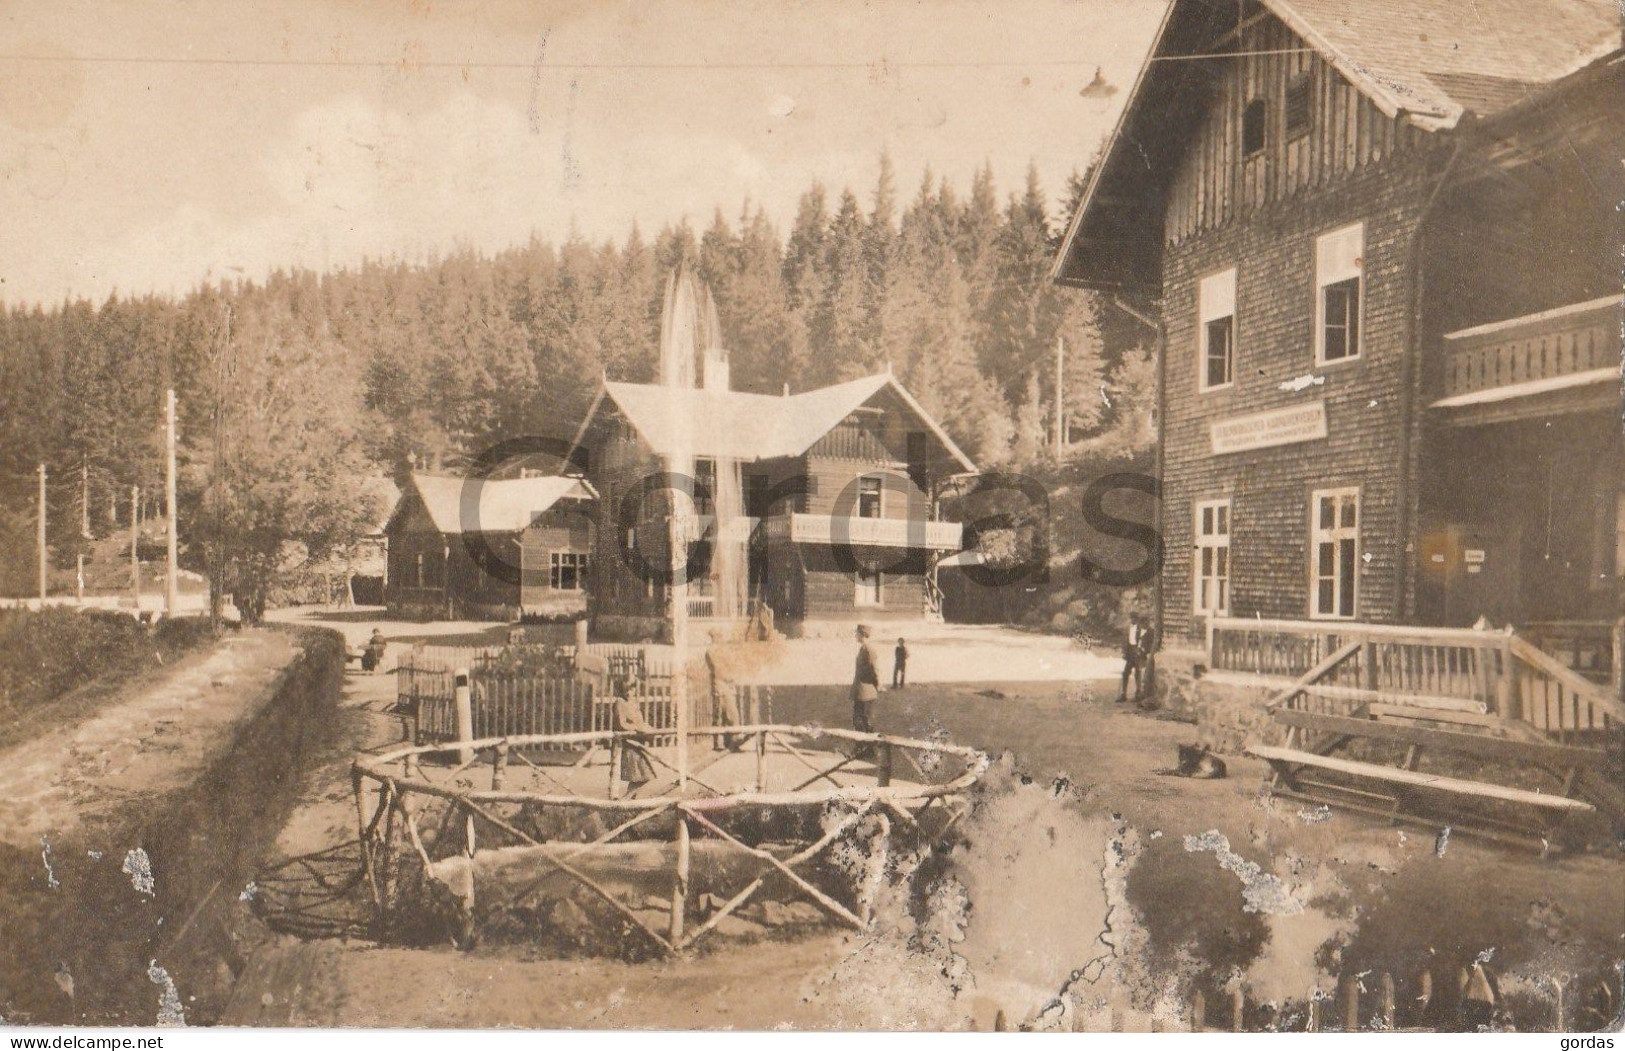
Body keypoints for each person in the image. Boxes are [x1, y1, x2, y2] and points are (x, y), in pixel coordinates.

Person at [612, 674, 656, 796]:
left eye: (631, 688)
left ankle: (628, 802)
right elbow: (621, 724)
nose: (629, 692)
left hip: (637, 745)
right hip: (628, 745)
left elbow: (639, 721)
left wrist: (646, 727)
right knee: (639, 776)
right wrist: (637, 728)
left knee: (643, 776)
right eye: (625, 688)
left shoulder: (634, 703)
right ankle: (626, 802)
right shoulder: (619, 703)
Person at [851, 625, 881, 750]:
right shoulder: (863, 648)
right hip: (861, 690)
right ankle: (863, 748)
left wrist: (877, 685)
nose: (855, 636)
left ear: (863, 635)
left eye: (857, 633)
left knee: (864, 721)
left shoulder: (868, 649)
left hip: (866, 691)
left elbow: (874, 670)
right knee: (859, 720)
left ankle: (867, 749)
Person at [1115, 613, 1150, 704]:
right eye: (1131, 618)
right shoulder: (1128, 628)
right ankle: (1123, 694)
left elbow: (1143, 640)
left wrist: (1141, 651)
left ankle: (1138, 694)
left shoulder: (1140, 628)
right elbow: (1125, 641)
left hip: (1138, 652)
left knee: (1137, 673)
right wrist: (1124, 652)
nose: (1132, 620)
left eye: (1134, 618)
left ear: (1137, 619)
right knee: (1125, 673)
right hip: (1130, 652)